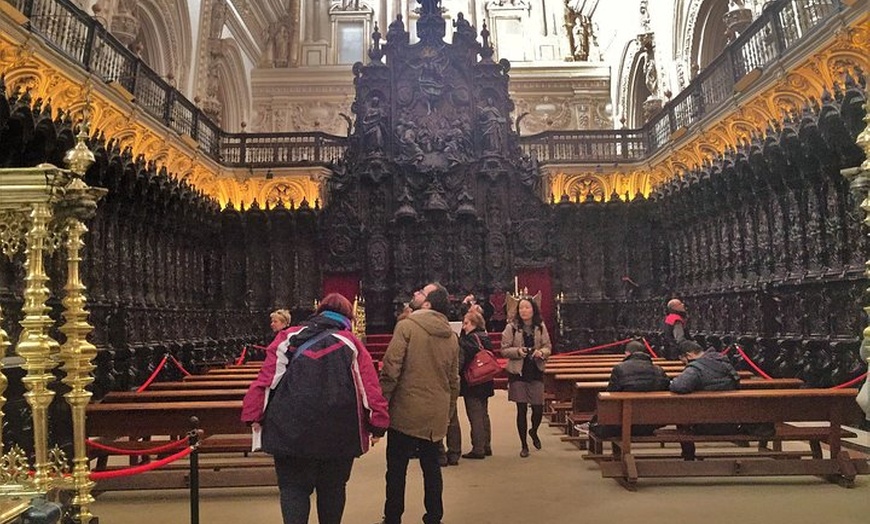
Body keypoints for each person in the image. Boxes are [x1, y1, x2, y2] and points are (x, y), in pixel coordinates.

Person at [241, 293, 389, 524]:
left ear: (318, 312)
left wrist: (254, 415)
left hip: (291, 428)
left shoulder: (288, 337)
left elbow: (267, 381)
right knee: (333, 490)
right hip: (339, 431)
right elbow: (368, 388)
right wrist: (378, 424)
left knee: (293, 490)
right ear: (348, 317)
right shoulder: (351, 342)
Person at [379, 283, 460, 524]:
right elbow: (454, 379)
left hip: (405, 409)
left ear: (428, 304)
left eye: (421, 292)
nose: (415, 293)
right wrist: (447, 411)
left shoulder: (406, 326)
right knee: (432, 468)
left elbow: (391, 369)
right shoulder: (451, 336)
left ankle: (393, 517)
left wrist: (382, 405)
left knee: (396, 469)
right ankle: (434, 517)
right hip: (435, 412)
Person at [669, 340, 739, 460]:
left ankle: (688, 455)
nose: (684, 364)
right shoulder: (724, 363)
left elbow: (679, 387)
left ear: (689, 355)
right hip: (731, 422)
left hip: (705, 424)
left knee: (680, 415)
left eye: (683, 360)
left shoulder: (696, 368)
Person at [588, 340, 671, 439]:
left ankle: (616, 451)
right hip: (651, 423)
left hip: (623, 422)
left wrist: (595, 420)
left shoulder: (620, 369)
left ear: (627, 353)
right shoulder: (659, 370)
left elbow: (610, 397)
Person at [501, 297, 551, 458]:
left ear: (533, 310)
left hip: (535, 369)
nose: (523, 311)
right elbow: (504, 349)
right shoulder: (512, 327)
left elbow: (548, 347)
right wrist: (518, 352)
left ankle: (533, 431)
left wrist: (541, 352)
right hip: (518, 372)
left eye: (527, 308)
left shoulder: (540, 327)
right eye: (521, 308)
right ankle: (524, 445)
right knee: (521, 409)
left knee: (537, 408)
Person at [456, 309, 495, 459]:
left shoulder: (469, 340)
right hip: (485, 378)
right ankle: (486, 445)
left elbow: (463, 360)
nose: (464, 326)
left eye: (466, 323)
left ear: (474, 324)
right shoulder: (485, 337)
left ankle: (478, 448)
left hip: (473, 380)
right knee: (484, 413)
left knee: (475, 415)